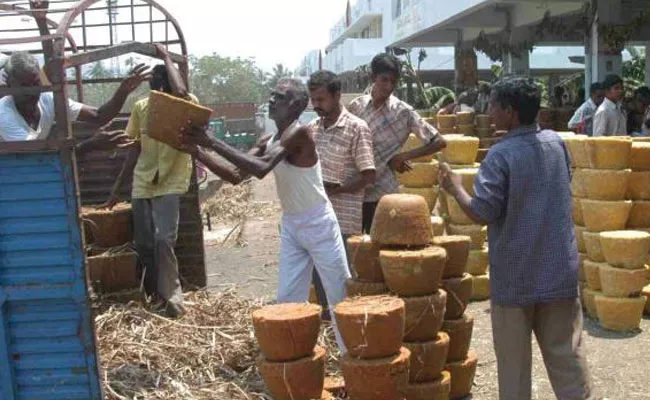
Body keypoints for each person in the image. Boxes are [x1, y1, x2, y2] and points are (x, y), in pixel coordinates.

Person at [439, 76, 593, 400]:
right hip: (558, 273)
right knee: (567, 360)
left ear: (509, 112)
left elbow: (482, 211)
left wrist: (455, 187)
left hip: (516, 277)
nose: (489, 112)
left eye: (493, 106)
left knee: (514, 368)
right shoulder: (556, 143)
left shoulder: (500, 154)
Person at [181, 78, 351, 350]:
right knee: (287, 299)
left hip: (319, 223)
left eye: (279, 97)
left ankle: (351, 363)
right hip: (293, 225)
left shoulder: (300, 133)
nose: (271, 100)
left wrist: (211, 141)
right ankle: (295, 360)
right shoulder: (267, 139)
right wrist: (198, 151)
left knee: (339, 297)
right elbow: (236, 175)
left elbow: (261, 169)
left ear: (295, 105)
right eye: (271, 95)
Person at [104, 44, 194, 318]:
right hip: (143, 182)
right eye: (151, 83)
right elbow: (134, 148)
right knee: (144, 244)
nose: (154, 86)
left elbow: (180, 92)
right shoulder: (141, 108)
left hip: (170, 181)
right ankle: (152, 296)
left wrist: (167, 57)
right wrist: (117, 188)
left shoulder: (183, 104)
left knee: (163, 239)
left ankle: (173, 300)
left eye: (159, 80)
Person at [347, 53, 446, 232]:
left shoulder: (403, 113)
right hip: (353, 192)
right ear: (372, 78)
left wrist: (402, 156)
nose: (389, 86)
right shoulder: (356, 106)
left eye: (393, 82)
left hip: (383, 194)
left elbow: (438, 141)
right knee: (354, 250)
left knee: (382, 249)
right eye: (384, 80)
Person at [307, 70, 376, 320]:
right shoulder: (311, 130)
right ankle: (329, 334)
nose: (316, 105)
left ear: (337, 96)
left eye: (321, 100)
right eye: (313, 100)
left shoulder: (356, 128)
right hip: (316, 219)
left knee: (343, 284)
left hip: (343, 221)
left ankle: (347, 338)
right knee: (320, 285)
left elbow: (369, 176)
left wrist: (338, 189)